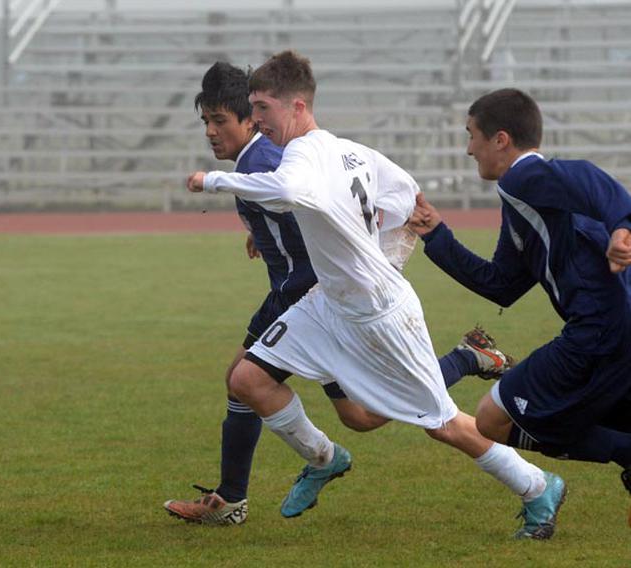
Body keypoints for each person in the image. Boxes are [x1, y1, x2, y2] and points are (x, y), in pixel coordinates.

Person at [184, 51, 564, 540]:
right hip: (328, 304)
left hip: (378, 312)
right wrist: (376, 251)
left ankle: (537, 486)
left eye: (262, 108)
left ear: (297, 106)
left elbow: (287, 190)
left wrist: (209, 180)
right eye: (253, 108)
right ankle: (324, 460)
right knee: (248, 379)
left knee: (441, 424)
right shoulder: (352, 151)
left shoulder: (301, 156)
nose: (256, 119)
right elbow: (405, 194)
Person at [408, 87, 631, 526]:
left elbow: (587, 177)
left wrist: (624, 225)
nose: (468, 148)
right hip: (614, 329)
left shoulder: (523, 177)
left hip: (598, 330)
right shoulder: (525, 201)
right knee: (578, 419)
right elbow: (502, 285)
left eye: (472, 135)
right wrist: (437, 236)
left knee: (493, 417)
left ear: (501, 140)